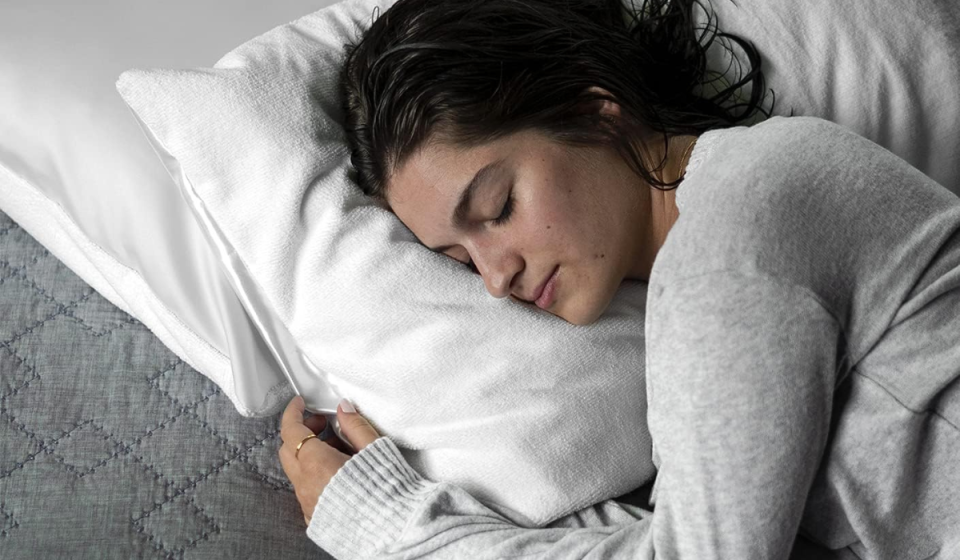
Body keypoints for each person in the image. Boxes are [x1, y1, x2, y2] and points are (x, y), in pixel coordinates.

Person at [277, 0, 960, 557]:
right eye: (458, 258)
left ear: (594, 111)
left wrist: (389, 527)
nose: (494, 276)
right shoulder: (711, 262)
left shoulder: (736, 236)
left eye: (498, 208)